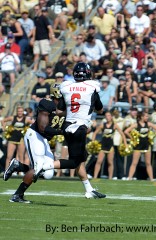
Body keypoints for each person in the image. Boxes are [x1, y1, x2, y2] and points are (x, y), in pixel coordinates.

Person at [35, 62, 106, 199]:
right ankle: (45, 166)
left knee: (81, 157)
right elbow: (100, 109)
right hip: (79, 128)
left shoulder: (67, 87)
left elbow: (60, 110)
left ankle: (89, 189)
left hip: (67, 126)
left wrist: (73, 106)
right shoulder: (92, 88)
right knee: (74, 162)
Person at [3, 89, 65, 203]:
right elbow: (42, 128)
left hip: (44, 140)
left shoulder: (66, 109)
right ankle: (17, 195)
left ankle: (18, 166)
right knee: (38, 167)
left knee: (48, 173)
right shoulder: (47, 104)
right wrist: (62, 132)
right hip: (35, 135)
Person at [124, 112, 156, 181]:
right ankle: (129, 177)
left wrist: (152, 135)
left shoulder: (148, 124)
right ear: (141, 117)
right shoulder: (136, 125)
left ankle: (151, 179)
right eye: (146, 116)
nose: (147, 117)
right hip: (138, 146)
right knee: (134, 163)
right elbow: (126, 131)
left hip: (146, 145)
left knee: (148, 163)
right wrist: (132, 138)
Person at [92, 111, 127, 179]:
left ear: (111, 117)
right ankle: (95, 176)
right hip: (103, 146)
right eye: (106, 116)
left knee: (110, 162)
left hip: (110, 146)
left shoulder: (114, 125)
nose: (107, 117)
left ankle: (110, 178)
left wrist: (125, 143)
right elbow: (95, 133)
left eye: (108, 115)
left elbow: (122, 134)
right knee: (99, 161)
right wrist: (93, 142)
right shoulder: (103, 125)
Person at [2, 106, 33, 170]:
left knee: (20, 156)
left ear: (23, 112)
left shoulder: (26, 119)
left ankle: (20, 171)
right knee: (9, 156)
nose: (20, 113)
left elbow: (33, 123)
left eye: (21, 111)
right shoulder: (13, 117)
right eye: (18, 111)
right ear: (17, 112)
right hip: (12, 139)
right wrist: (4, 128)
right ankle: (6, 170)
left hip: (21, 139)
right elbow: (3, 121)